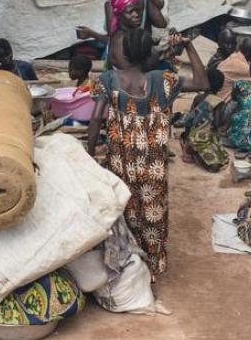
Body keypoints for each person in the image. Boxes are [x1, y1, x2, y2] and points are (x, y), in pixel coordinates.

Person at [86, 29, 209, 278]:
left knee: (125, 215)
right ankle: (152, 268)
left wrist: (89, 154)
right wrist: (189, 47)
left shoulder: (108, 80)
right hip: (154, 168)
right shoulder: (162, 79)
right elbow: (203, 83)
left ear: (126, 53)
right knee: (153, 217)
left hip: (121, 165)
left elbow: (96, 118)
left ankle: (129, 268)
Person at [180, 69, 228, 172]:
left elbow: (190, 118)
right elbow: (217, 123)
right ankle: (193, 150)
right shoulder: (219, 102)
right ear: (221, 86)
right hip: (204, 138)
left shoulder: (198, 98)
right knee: (220, 162)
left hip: (191, 135)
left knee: (219, 159)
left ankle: (189, 147)